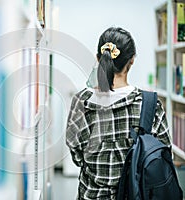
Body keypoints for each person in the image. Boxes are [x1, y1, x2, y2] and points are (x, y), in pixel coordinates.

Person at [66, 27, 171, 199]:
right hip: (138, 194)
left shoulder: (82, 102)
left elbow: (77, 157)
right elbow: (163, 154)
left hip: (93, 195)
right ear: (132, 60)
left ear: (98, 58)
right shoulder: (150, 104)